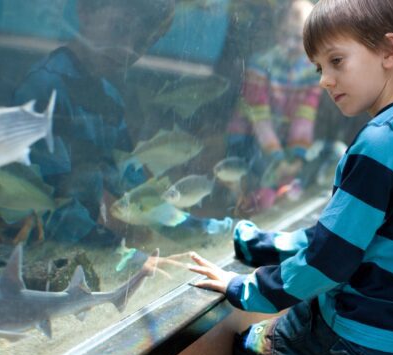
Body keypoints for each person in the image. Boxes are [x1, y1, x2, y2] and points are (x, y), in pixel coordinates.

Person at [187, 0, 393, 355]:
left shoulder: (378, 144)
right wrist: (264, 246)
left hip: (360, 338)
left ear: (389, 50)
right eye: (319, 68)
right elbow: (348, 234)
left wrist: (244, 287)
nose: (325, 81)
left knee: (250, 351)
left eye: (336, 61)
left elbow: (327, 260)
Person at [13, 0, 231, 244]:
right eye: (118, 28)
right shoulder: (45, 87)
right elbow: (47, 198)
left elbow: (129, 181)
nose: (128, 49)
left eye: (141, 43)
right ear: (84, 11)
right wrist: (119, 244)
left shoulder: (111, 97)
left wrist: (193, 227)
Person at [225, 0, 322, 213]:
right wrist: (279, 159)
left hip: (279, 138)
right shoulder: (259, 65)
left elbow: (304, 119)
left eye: (298, 38)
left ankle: (271, 195)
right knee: (252, 172)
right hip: (248, 136)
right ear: (277, 31)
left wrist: (296, 156)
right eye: (285, 35)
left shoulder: (313, 74)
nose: (290, 43)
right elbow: (260, 120)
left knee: (288, 171)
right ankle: (252, 200)